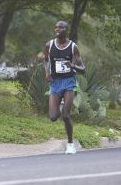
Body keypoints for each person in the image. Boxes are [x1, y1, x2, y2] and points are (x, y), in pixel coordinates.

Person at [44, 20, 85, 154]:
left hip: (69, 82)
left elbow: (83, 68)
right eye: (56, 28)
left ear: (66, 30)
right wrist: (47, 72)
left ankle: (70, 144)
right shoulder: (49, 45)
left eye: (60, 28)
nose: (57, 30)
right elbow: (45, 60)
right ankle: (61, 104)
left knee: (66, 116)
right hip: (55, 83)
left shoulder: (73, 47)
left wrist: (72, 65)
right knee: (53, 117)